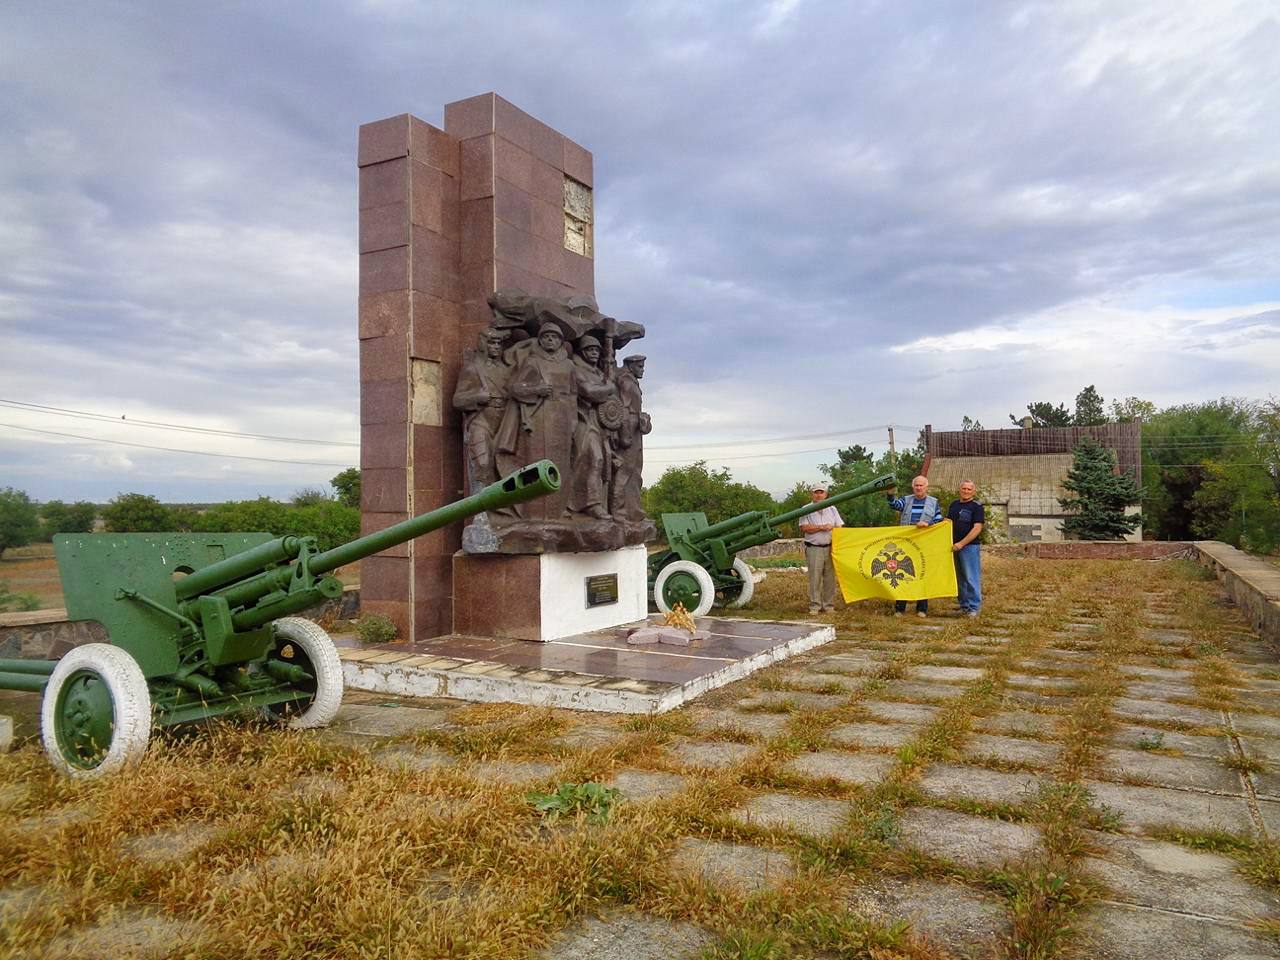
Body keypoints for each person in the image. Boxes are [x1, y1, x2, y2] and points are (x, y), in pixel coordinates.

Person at [886, 475, 943, 617]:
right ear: (913, 487)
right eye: (916, 485)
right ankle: (900, 608)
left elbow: (939, 519)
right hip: (906, 543)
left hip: (924, 543)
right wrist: (890, 494)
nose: (919, 488)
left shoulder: (933, 502)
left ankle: (921, 608)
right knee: (902, 572)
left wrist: (928, 524)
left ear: (926, 487)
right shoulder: (906, 500)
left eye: (921, 485)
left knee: (922, 573)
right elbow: (894, 505)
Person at [798, 481, 844, 614]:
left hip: (830, 548)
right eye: (816, 492)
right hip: (814, 548)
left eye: (821, 492)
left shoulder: (832, 508)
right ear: (811, 494)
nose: (818, 495)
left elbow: (839, 526)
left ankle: (828, 606)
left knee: (830, 579)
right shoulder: (805, 509)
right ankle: (815, 606)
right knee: (815, 578)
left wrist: (832, 528)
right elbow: (804, 528)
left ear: (826, 494)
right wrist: (822, 527)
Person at [949, 480, 985, 617]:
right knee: (960, 578)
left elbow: (977, 528)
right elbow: (948, 523)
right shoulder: (954, 505)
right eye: (963, 488)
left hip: (969, 547)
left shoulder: (977, 506)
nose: (966, 491)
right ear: (960, 490)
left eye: (969, 489)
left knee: (971, 577)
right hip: (953, 547)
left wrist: (962, 544)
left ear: (973, 492)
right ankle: (964, 605)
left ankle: (974, 607)